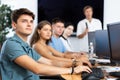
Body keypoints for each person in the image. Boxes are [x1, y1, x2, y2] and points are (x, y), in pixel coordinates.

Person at [0, 8, 92, 80]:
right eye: (24, 21)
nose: (29, 24)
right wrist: (72, 70)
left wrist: (75, 63)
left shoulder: (26, 46)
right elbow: (37, 68)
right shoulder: (11, 44)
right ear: (14, 25)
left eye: (31, 21)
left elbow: (50, 62)